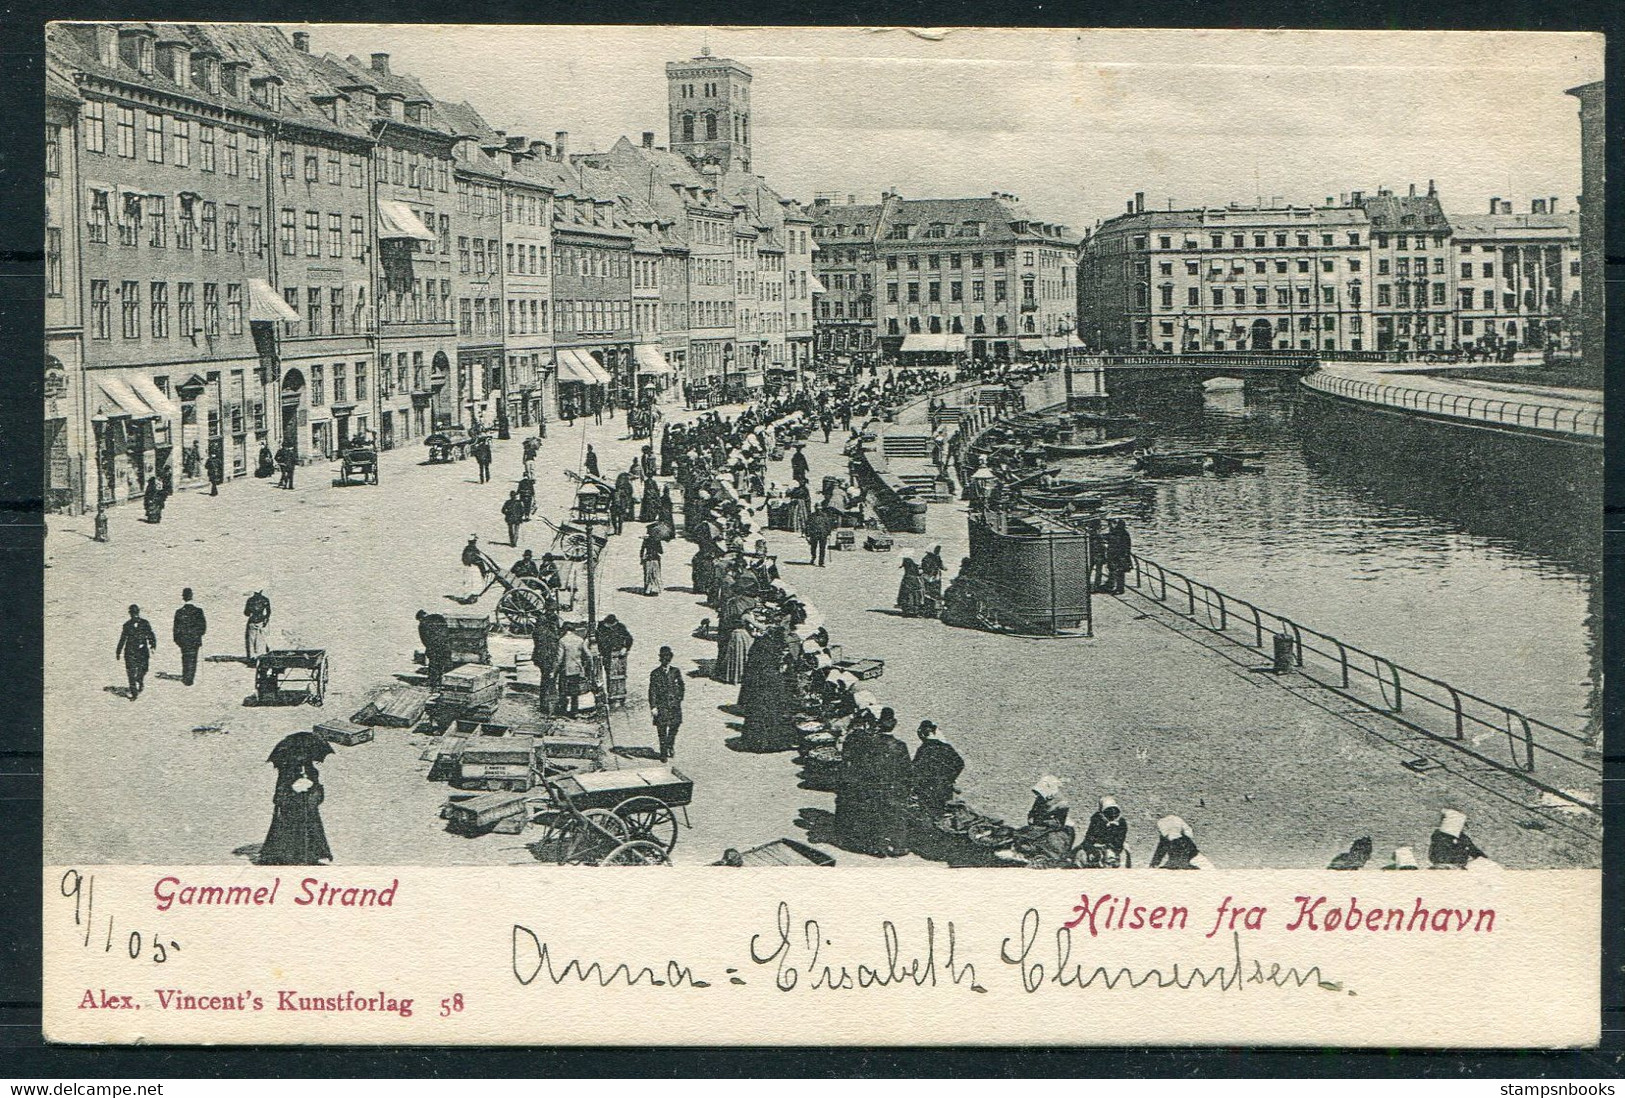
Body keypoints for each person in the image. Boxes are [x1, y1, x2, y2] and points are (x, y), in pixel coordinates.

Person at [257, 737, 332, 866]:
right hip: (292, 807)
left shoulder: (310, 768)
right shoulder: (286, 769)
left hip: (308, 806)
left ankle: (310, 855)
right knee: (291, 830)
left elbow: (316, 786)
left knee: (310, 829)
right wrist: (295, 787)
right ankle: (290, 856)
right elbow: (281, 789)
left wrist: (311, 785)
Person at [738, 625, 795, 752]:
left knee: (756, 715)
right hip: (767, 686)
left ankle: (752, 741)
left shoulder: (760, 644)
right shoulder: (770, 649)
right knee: (770, 715)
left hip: (756, 687)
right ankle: (769, 743)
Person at [910, 720, 964, 818]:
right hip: (945, 788)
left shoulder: (923, 749)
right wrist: (950, 778)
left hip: (928, 789)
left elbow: (915, 769)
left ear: (921, 734)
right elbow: (960, 763)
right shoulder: (946, 747)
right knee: (946, 815)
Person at [648, 646, 685, 762]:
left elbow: (681, 686)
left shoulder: (675, 671)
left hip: (674, 706)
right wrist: (653, 706)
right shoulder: (655, 673)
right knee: (662, 730)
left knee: (674, 727)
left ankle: (670, 745)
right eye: (663, 658)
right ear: (660, 659)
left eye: (668, 658)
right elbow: (652, 691)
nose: (665, 660)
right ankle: (663, 752)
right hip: (662, 706)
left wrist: (679, 698)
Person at [115, 604, 158, 700]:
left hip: (142, 651)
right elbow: (122, 639)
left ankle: (139, 679)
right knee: (130, 672)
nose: (134, 615)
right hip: (130, 652)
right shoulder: (126, 625)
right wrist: (118, 652)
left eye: (135, 613)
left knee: (144, 669)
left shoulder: (145, 623)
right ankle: (134, 693)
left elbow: (150, 635)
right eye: (132, 613)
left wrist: (153, 645)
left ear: (138, 613)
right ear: (130, 614)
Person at [172, 588, 207, 687]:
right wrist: (198, 635)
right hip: (194, 639)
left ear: (183, 597)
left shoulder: (179, 612)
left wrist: (177, 640)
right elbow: (203, 626)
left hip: (184, 640)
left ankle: (186, 676)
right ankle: (190, 677)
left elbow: (176, 628)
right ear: (192, 596)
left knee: (185, 657)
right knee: (193, 658)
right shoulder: (198, 611)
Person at [1080, 796, 1129, 867]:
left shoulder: (1121, 822)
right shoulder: (1096, 819)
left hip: (1113, 848)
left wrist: (1107, 846)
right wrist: (1092, 847)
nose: (1112, 813)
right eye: (1108, 810)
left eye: (1114, 810)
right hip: (1096, 846)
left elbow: (1119, 841)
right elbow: (1090, 836)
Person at [555, 622, 591, 717]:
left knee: (563, 691)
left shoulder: (562, 641)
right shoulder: (579, 640)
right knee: (575, 692)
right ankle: (574, 712)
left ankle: (563, 711)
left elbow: (559, 658)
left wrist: (554, 670)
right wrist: (586, 666)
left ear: (565, 630)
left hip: (565, 669)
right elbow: (588, 655)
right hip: (576, 669)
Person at [530, 611, 561, 714]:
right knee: (549, 681)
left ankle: (544, 703)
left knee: (544, 680)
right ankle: (548, 706)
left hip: (540, 659)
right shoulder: (548, 633)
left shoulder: (537, 631)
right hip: (548, 659)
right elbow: (555, 640)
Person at [416, 610, 452, 690]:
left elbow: (424, 639)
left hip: (434, 647)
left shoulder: (423, 624)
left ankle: (433, 683)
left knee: (433, 664)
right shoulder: (439, 618)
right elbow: (447, 630)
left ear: (420, 618)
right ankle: (443, 681)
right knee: (443, 663)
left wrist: (428, 647)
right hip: (445, 645)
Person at [1103, 518, 1133, 595]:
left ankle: (1120, 589)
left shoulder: (1122, 534)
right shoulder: (1118, 532)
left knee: (1119, 572)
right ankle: (1112, 585)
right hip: (1115, 555)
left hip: (1120, 556)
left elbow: (1124, 546)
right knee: (1113, 570)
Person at [243, 590, 271, 661]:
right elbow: (268, 612)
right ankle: (260, 657)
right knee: (260, 640)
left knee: (251, 640)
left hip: (252, 621)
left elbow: (246, 613)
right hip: (261, 621)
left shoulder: (250, 600)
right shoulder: (265, 599)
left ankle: (252, 658)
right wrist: (265, 620)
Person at [640, 528, 664, 596]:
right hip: (655, 559)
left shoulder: (646, 540)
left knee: (647, 575)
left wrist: (641, 558)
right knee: (655, 575)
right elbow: (661, 551)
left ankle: (647, 590)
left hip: (647, 559)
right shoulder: (657, 541)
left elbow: (642, 550)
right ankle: (655, 589)